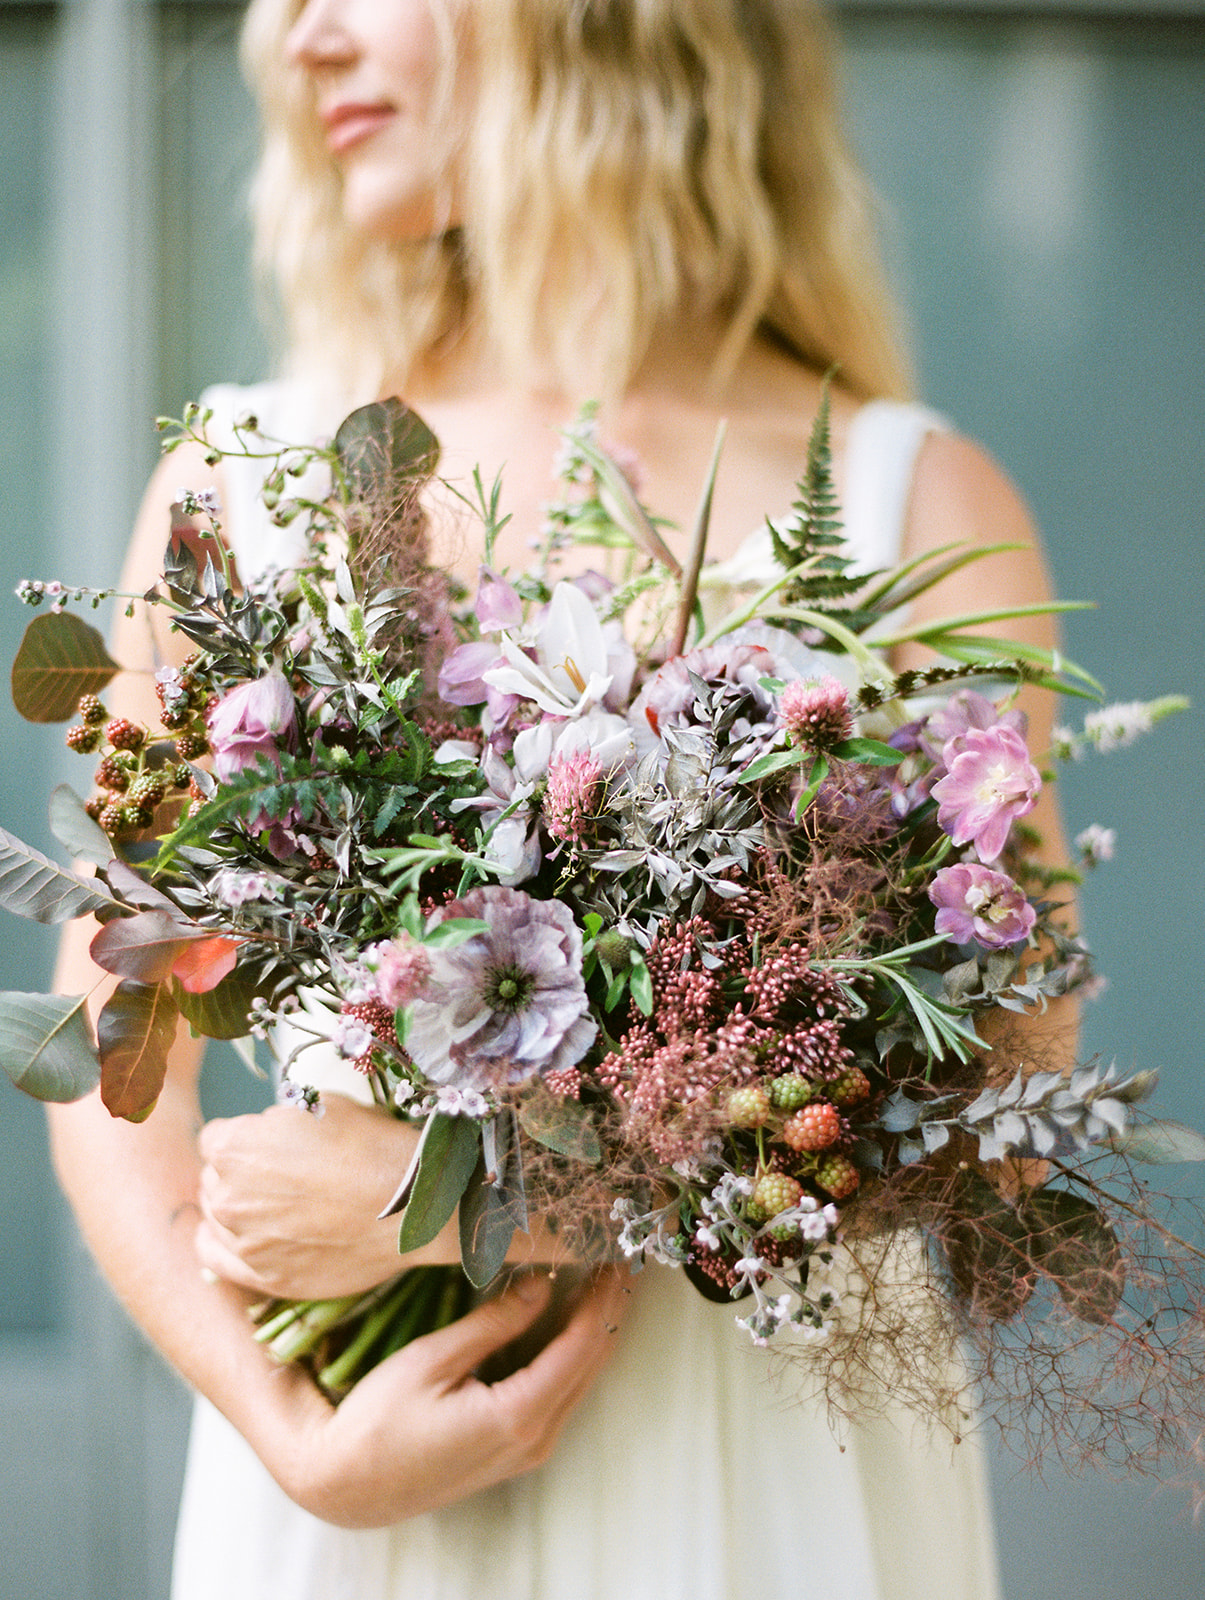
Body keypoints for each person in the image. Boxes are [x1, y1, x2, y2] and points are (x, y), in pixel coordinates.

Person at [49, 1, 1071, 1596]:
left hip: (777, 1481)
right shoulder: (243, 482)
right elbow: (117, 1048)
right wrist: (287, 1433)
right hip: (361, 1480)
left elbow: (1007, 1085)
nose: (294, 39)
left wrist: (476, 1212)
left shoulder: (907, 503)